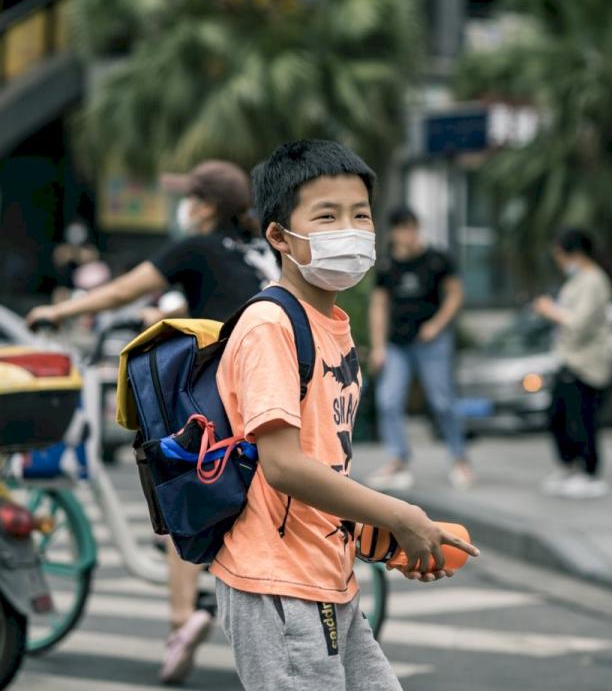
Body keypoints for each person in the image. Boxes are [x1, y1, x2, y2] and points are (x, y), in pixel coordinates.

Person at [212, 139, 479, 691]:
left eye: (361, 215)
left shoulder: (331, 326)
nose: (351, 230)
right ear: (279, 237)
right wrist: (400, 513)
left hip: (326, 574)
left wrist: (381, 535)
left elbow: (323, 468)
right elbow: (282, 467)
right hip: (279, 582)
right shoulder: (271, 325)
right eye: (327, 216)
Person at [26, 159, 279, 684]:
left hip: (224, 391)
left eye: (189, 197)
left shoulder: (198, 246)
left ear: (205, 206)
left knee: (180, 489)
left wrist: (60, 314)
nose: (182, 207)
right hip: (271, 387)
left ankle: (182, 622)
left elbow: (124, 289)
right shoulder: (258, 252)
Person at [366, 206, 472, 491]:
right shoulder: (387, 266)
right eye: (402, 228)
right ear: (393, 232)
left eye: (412, 227)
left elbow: (454, 295)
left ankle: (459, 457)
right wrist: (378, 346)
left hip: (432, 342)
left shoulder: (437, 260)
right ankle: (397, 458)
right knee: (388, 400)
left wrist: (437, 325)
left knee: (442, 401)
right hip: (397, 344)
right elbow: (379, 306)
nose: (408, 234)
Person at [533, 228, 612, 500]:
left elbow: (580, 323)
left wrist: (550, 311)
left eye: (559, 254)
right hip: (567, 360)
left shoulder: (593, 281)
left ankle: (588, 472)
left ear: (574, 253)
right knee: (559, 416)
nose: (558, 261)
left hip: (586, 364)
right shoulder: (577, 281)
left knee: (582, 419)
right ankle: (568, 467)